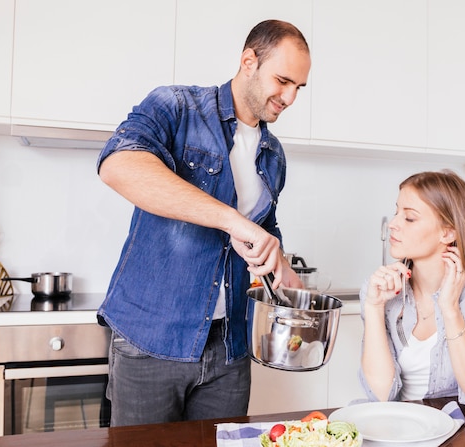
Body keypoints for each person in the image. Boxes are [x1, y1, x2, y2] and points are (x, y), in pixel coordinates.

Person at [96, 19, 310, 426]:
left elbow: (264, 231)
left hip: (229, 349)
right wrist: (232, 220)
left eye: (299, 87)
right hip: (151, 339)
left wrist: (280, 262)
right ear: (249, 61)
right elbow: (118, 165)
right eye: (283, 81)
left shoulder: (273, 154)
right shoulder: (176, 107)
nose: (290, 97)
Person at [359, 170, 465, 411]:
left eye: (409, 218)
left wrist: (449, 308)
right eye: (396, 212)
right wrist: (373, 307)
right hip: (402, 431)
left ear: (448, 232)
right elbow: (379, 396)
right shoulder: (380, 291)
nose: (393, 224)